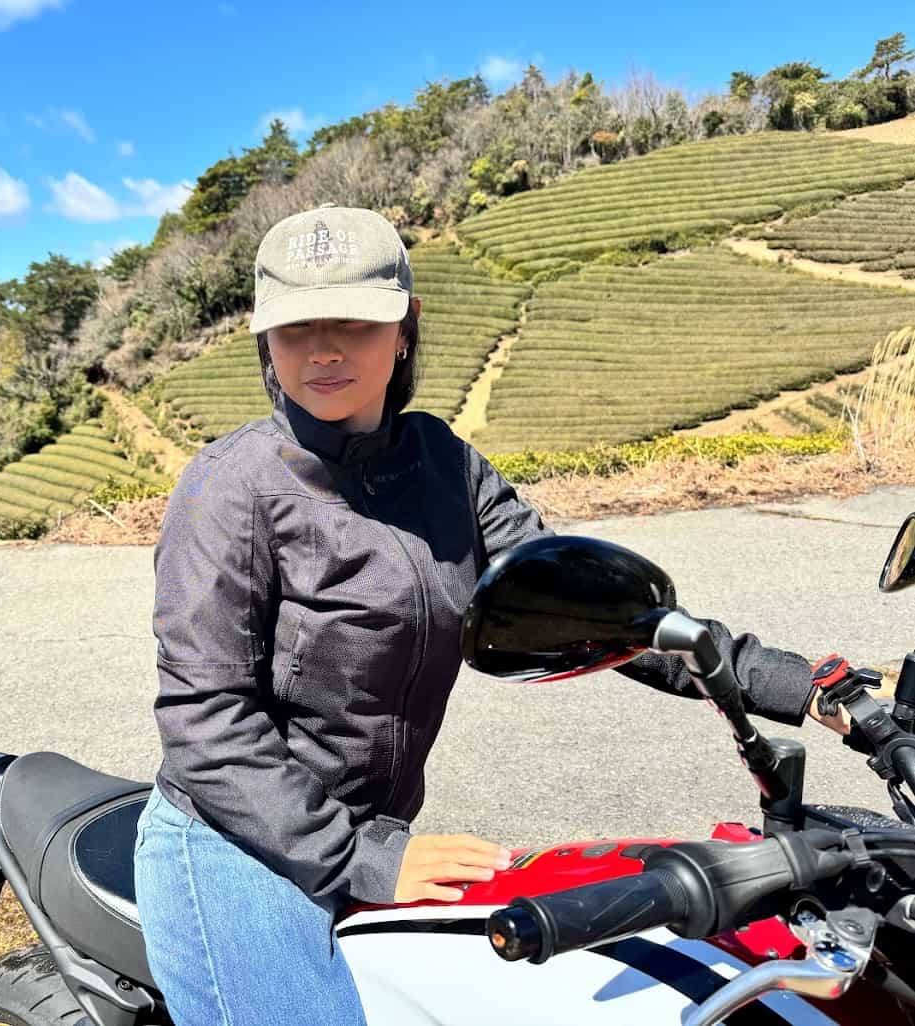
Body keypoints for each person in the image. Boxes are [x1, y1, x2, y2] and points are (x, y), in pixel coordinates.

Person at [131, 204, 847, 1025]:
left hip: (369, 830)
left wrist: (808, 687)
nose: (323, 349)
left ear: (404, 328)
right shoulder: (230, 488)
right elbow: (204, 718)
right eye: (297, 329)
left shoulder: (444, 463)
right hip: (234, 843)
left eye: (353, 323)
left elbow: (593, 604)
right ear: (266, 340)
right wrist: (356, 855)